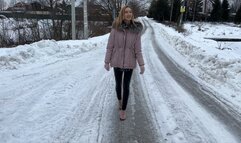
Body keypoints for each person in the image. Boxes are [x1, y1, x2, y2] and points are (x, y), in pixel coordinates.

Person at [104, 5, 145, 121]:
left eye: (130, 12)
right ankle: (119, 100)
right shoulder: (115, 28)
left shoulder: (136, 30)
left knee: (126, 86)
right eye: (126, 12)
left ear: (132, 14)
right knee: (118, 85)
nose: (128, 14)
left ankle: (123, 109)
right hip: (116, 62)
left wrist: (141, 64)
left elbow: (138, 50)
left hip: (129, 62)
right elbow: (110, 47)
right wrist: (107, 62)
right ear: (122, 14)